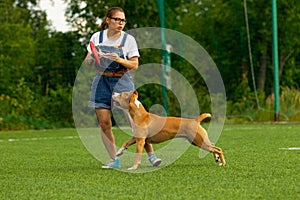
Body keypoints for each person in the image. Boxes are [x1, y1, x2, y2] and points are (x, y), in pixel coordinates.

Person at [85, 7, 161, 169]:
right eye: (117, 20)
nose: (120, 23)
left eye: (123, 20)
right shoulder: (96, 37)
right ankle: (114, 160)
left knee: (136, 123)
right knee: (104, 123)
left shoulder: (128, 40)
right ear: (107, 20)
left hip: (122, 81)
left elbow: (134, 64)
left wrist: (119, 60)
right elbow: (87, 62)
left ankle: (151, 156)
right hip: (101, 81)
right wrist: (92, 57)